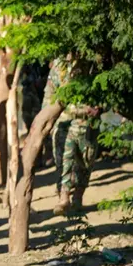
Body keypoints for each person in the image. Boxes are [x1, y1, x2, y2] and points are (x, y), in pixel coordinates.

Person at [42, 58, 100, 215]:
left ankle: (78, 198)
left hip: (86, 124)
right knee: (63, 160)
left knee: (85, 162)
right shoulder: (59, 65)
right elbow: (49, 92)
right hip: (64, 121)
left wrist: (99, 108)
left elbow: (105, 94)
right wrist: (46, 121)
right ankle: (63, 197)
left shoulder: (94, 63)